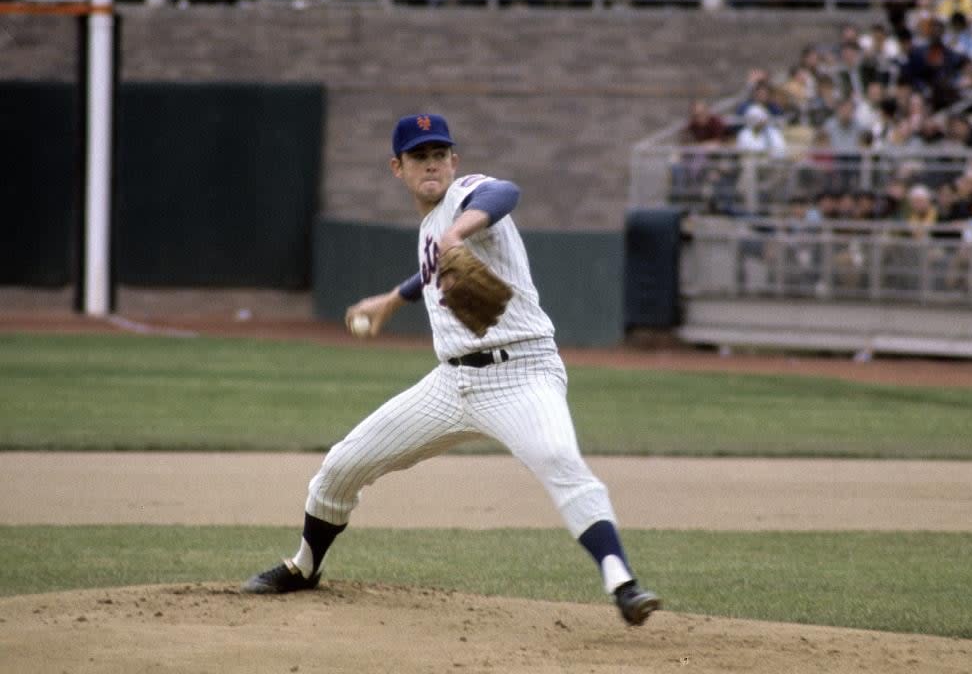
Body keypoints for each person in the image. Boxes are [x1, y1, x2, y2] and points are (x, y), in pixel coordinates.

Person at [241, 113, 662, 627]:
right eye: (419, 156)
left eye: (439, 153)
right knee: (340, 466)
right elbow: (431, 267)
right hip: (450, 384)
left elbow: (506, 192)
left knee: (557, 457)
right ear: (398, 167)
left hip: (523, 373)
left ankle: (622, 582)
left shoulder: (466, 195)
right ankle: (304, 567)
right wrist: (392, 301)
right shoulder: (430, 230)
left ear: (455, 161)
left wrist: (459, 232)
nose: (431, 163)